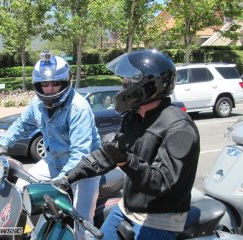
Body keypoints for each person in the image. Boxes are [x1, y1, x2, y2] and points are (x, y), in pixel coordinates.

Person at [54, 49, 200, 239]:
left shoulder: (179, 129)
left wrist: (124, 160)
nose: (122, 87)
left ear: (146, 85)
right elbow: (108, 154)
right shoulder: (134, 117)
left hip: (159, 218)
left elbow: (161, 183)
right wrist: (68, 178)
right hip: (126, 208)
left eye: (127, 82)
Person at [0, 51, 101, 240]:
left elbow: (80, 153)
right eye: (45, 84)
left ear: (65, 82)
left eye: (55, 83)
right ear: (38, 85)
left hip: (84, 168)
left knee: (83, 223)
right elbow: (22, 124)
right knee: (20, 190)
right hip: (53, 161)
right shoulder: (37, 103)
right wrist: (4, 143)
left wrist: (60, 180)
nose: (50, 88)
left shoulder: (78, 108)